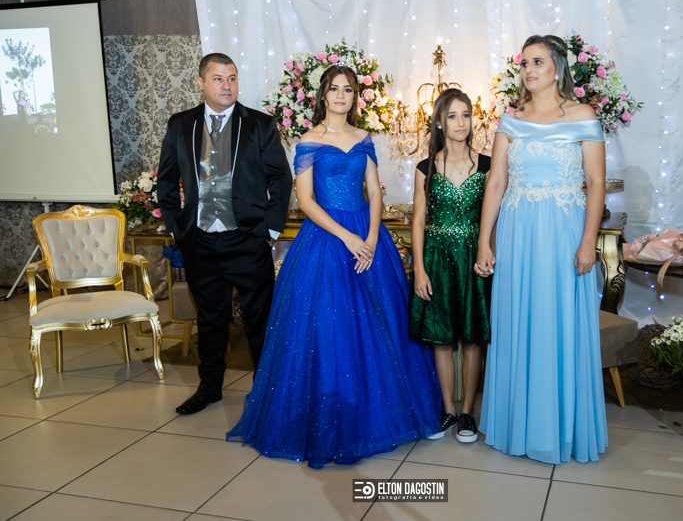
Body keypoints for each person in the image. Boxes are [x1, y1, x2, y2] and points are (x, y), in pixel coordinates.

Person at [227, 66, 442, 468]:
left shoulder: (364, 138)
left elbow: (374, 192)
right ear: (323, 95)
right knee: (329, 326)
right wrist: (348, 238)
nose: (341, 95)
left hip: (368, 236)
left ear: (355, 96)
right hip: (327, 238)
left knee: (383, 325)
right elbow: (306, 201)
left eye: (348, 89)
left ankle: (389, 413)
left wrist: (372, 238)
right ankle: (332, 413)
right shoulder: (309, 140)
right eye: (334, 89)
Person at [474, 35, 608, 464]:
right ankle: (517, 425)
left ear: (557, 67)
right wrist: (484, 241)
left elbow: (596, 183)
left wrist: (588, 242)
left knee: (558, 321)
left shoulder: (583, 115)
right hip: (518, 232)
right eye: (524, 63)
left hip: (564, 232)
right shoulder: (510, 120)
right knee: (518, 320)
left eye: (537, 62)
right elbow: (496, 183)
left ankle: (560, 428)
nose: (529, 70)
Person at [157, 53, 293, 415]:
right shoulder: (181, 125)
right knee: (210, 318)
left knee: (259, 319)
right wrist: (177, 227)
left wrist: (270, 228)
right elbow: (166, 181)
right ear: (201, 82)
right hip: (200, 240)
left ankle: (266, 392)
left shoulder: (260, 124)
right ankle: (209, 388)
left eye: (232, 78)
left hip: (247, 238)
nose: (227, 85)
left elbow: (281, 177)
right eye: (218, 79)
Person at [409, 89, 491, 443]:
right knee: (441, 339)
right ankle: (448, 410)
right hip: (436, 259)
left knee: (472, 339)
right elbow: (417, 221)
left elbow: (494, 217)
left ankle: (468, 413)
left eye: (466, 115)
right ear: (440, 123)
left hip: (474, 259)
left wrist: (489, 252)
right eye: (453, 116)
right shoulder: (425, 168)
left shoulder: (487, 165)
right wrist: (419, 269)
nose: (461, 123)